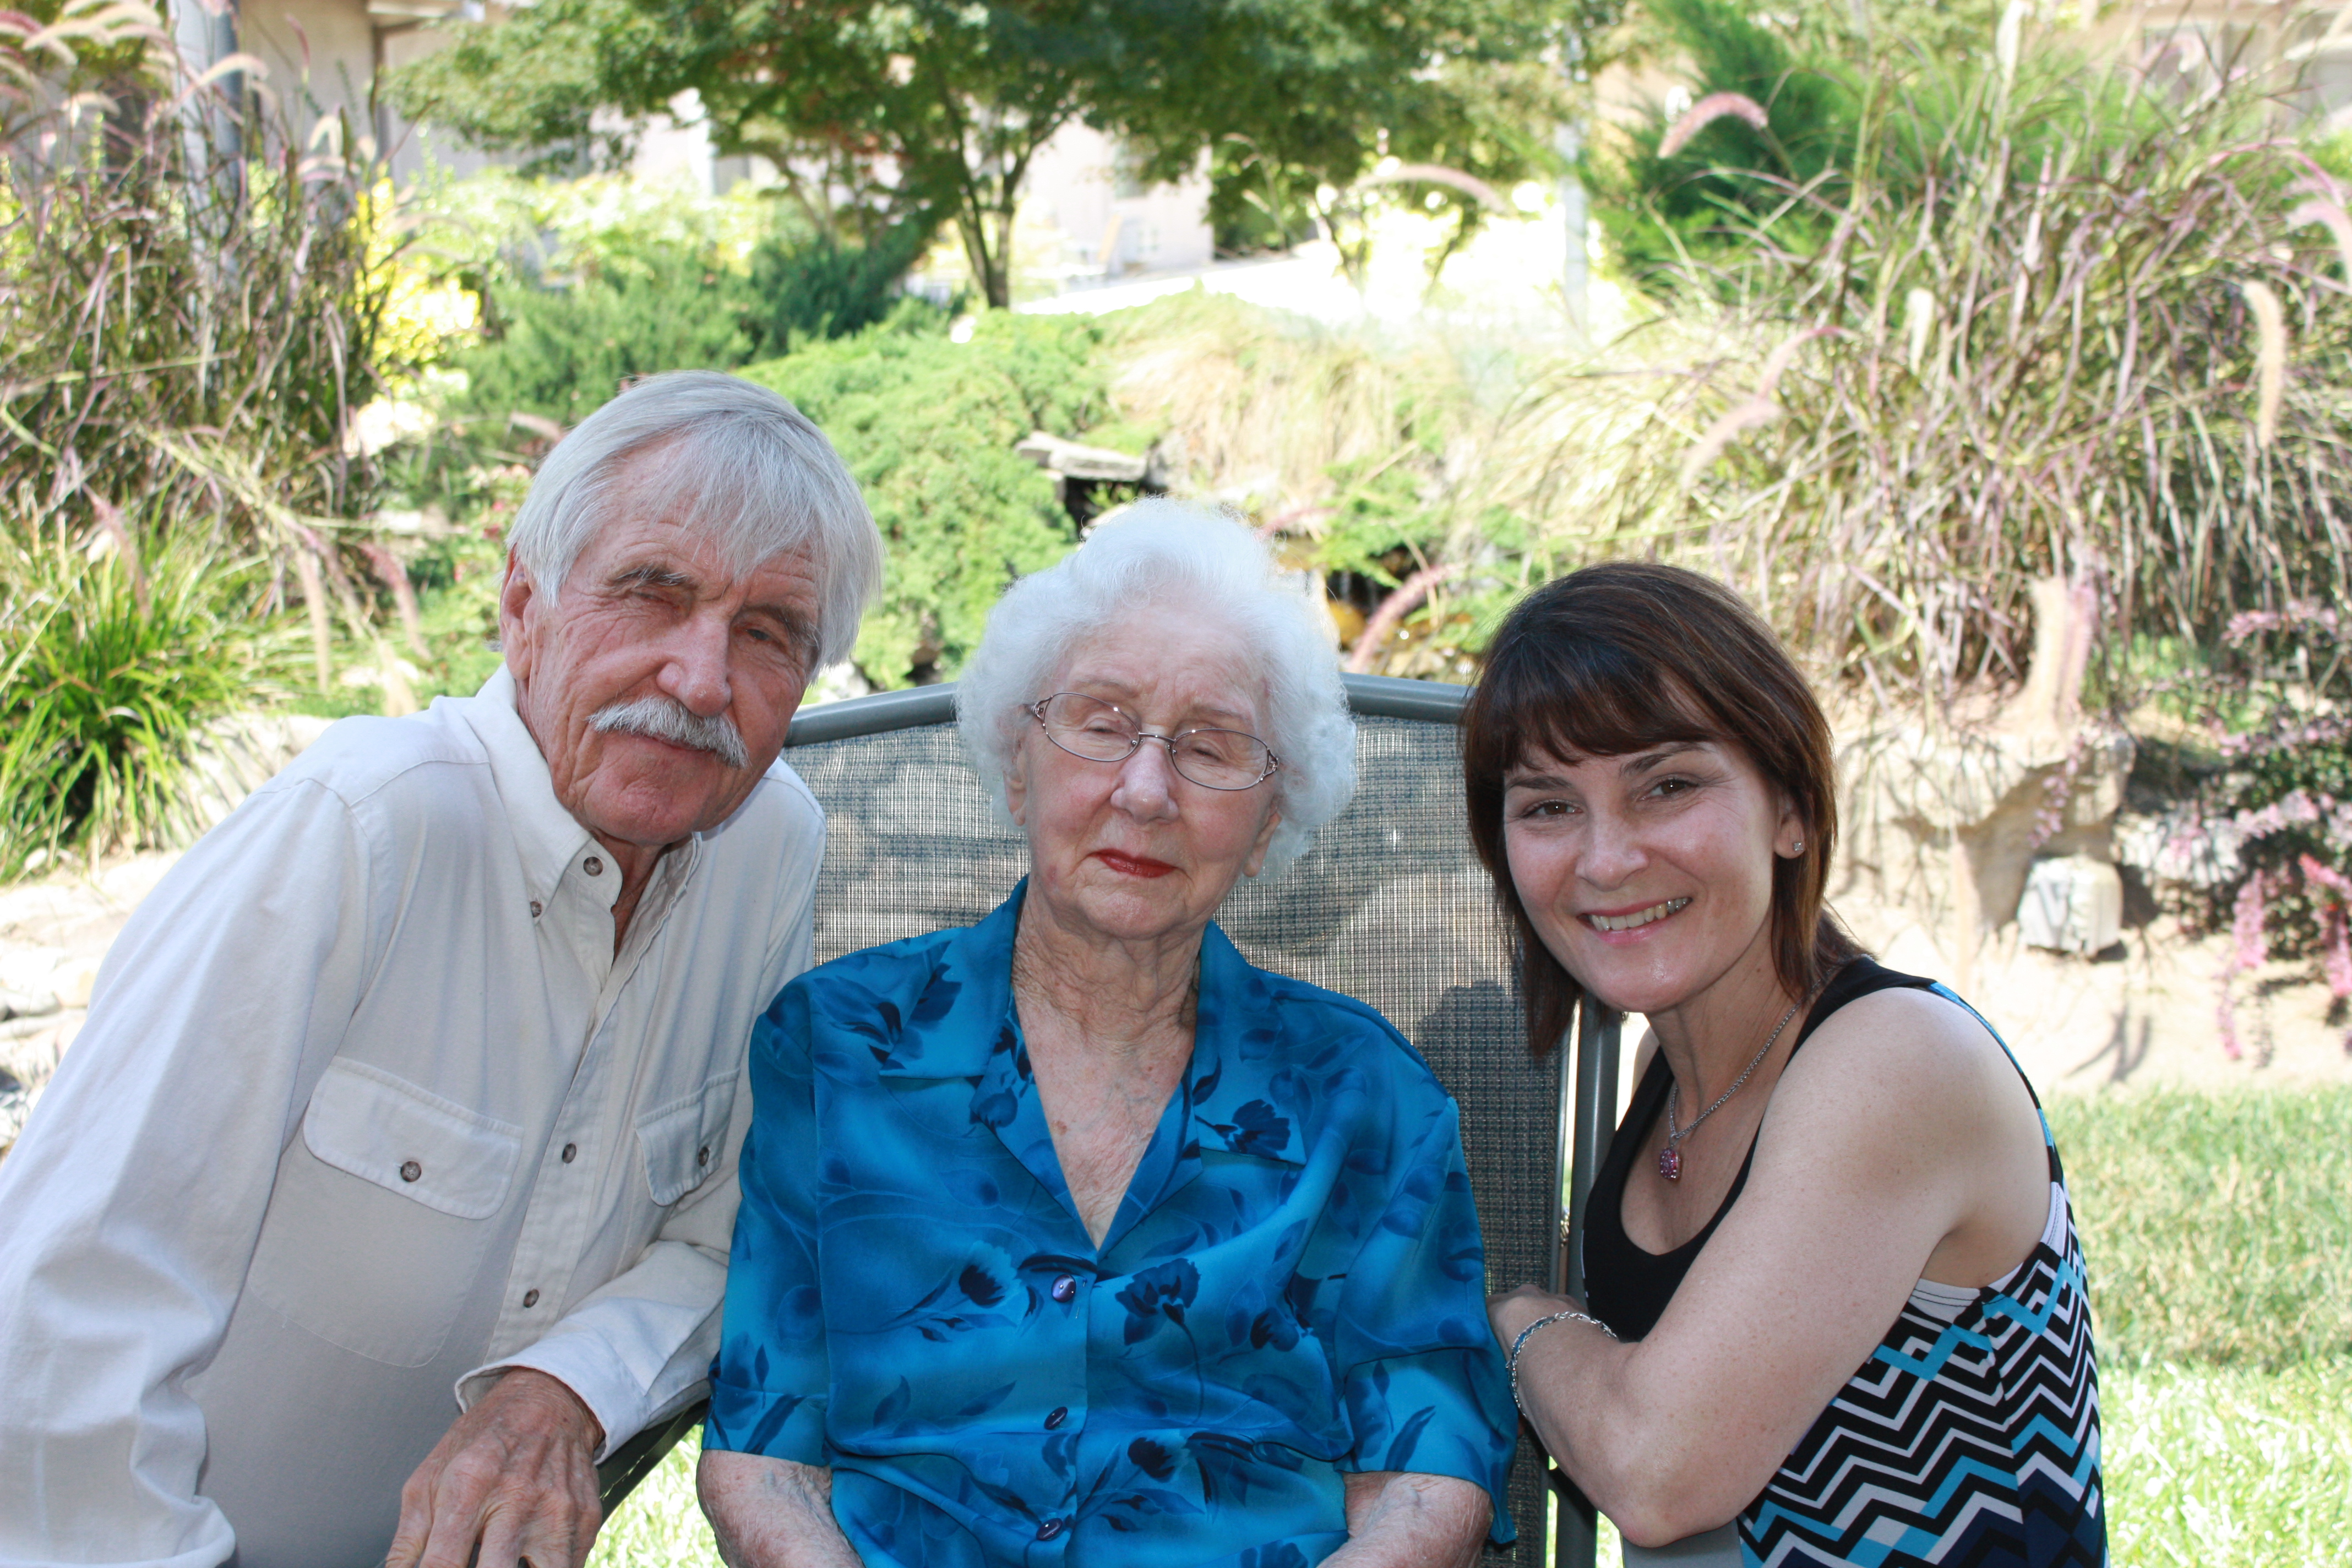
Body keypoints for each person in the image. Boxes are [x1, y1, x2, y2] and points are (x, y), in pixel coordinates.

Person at [0, 371, 884, 1568]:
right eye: (650, 593)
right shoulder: (357, 830)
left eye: (769, 632)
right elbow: (62, 1318)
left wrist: (557, 1387)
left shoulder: (767, 844)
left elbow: (730, 1220)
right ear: (523, 599)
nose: (700, 679)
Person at [696, 502, 1516, 1568]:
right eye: (1099, 720)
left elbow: (1430, 1463)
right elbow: (763, 1451)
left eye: (1211, 747)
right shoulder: (838, 1048)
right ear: (1015, 763)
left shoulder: (1367, 1096)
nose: (1145, 789)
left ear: (1269, 825)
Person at [1472, 564, 2104, 1568]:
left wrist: (1522, 1316)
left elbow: (1654, 1471)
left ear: (1793, 811)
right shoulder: (1667, 1077)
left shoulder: (1894, 1061)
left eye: (1667, 786)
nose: (1604, 859)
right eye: (1548, 806)